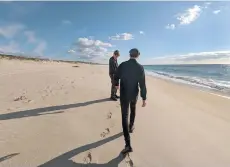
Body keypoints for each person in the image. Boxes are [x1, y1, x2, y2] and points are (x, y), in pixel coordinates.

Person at [114, 48, 147, 154]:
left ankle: (128, 144)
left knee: (124, 116)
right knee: (133, 110)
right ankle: (131, 126)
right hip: (134, 94)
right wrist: (144, 98)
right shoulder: (140, 67)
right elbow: (142, 85)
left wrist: (116, 84)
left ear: (129, 55)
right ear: (138, 55)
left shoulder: (123, 65)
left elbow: (116, 76)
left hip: (124, 95)